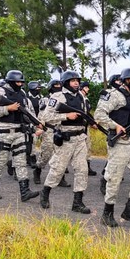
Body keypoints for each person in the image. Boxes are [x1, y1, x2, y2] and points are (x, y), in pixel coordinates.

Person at [94, 68, 130, 228]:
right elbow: (99, 115)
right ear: (125, 81)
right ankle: (107, 213)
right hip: (119, 142)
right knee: (114, 179)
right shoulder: (114, 95)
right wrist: (115, 125)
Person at [39, 71, 91, 214]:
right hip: (65, 139)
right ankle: (45, 193)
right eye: (73, 80)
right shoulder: (57, 96)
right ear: (66, 82)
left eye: (77, 80)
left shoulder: (81, 96)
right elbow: (47, 116)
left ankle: (78, 202)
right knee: (57, 170)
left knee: (82, 170)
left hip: (80, 138)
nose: (76, 83)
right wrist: (66, 116)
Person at [0, 69, 40, 202]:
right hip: (3, 132)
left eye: (22, 82)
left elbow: (29, 113)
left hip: (19, 132)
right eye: (17, 82)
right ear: (10, 81)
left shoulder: (22, 94)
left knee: (21, 162)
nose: (20, 84)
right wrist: (7, 109)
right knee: (1, 161)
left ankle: (25, 191)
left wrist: (37, 125)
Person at [33, 79, 70, 188]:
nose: (58, 86)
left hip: (61, 129)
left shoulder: (65, 98)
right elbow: (42, 115)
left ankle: (61, 177)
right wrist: (39, 128)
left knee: (61, 155)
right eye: (55, 85)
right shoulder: (45, 100)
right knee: (46, 154)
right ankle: (38, 170)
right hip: (48, 129)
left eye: (59, 84)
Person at [79, 80, 97, 176]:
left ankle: (87, 167)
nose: (88, 89)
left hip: (86, 128)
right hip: (78, 128)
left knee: (88, 147)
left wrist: (93, 122)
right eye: (86, 87)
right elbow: (82, 114)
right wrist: (92, 122)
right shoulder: (78, 99)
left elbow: (88, 114)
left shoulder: (86, 100)